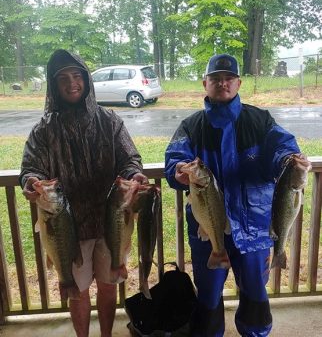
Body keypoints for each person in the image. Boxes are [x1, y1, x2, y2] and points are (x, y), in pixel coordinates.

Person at [164, 53, 311, 337]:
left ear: (239, 83)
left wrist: (290, 161)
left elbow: (282, 148)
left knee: (255, 290)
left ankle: (255, 332)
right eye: (216, 79)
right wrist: (179, 170)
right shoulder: (190, 126)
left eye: (229, 78)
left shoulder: (261, 120)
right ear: (204, 83)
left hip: (255, 227)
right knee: (208, 293)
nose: (223, 84)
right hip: (207, 228)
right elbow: (174, 160)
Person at [19, 49, 148, 337]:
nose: (71, 83)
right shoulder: (43, 130)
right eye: (63, 78)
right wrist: (31, 182)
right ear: (54, 85)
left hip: (109, 223)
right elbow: (30, 168)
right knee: (76, 290)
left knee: (106, 285)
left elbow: (130, 159)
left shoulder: (109, 121)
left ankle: (104, 334)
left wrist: (133, 175)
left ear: (87, 81)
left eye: (77, 76)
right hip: (67, 227)